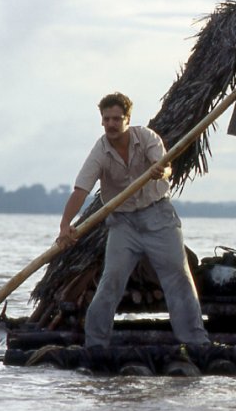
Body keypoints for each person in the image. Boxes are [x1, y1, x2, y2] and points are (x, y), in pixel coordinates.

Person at [57, 92, 210, 348]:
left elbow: (166, 166)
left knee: (178, 277)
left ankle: (196, 343)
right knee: (111, 280)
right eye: (106, 119)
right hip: (123, 223)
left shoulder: (146, 137)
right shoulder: (100, 150)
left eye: (117, 119)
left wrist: (161, 170)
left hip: (158, 216)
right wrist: (64, 226)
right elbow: (80, 190)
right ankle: (95, 345)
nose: (111, 125)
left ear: (128, 119)